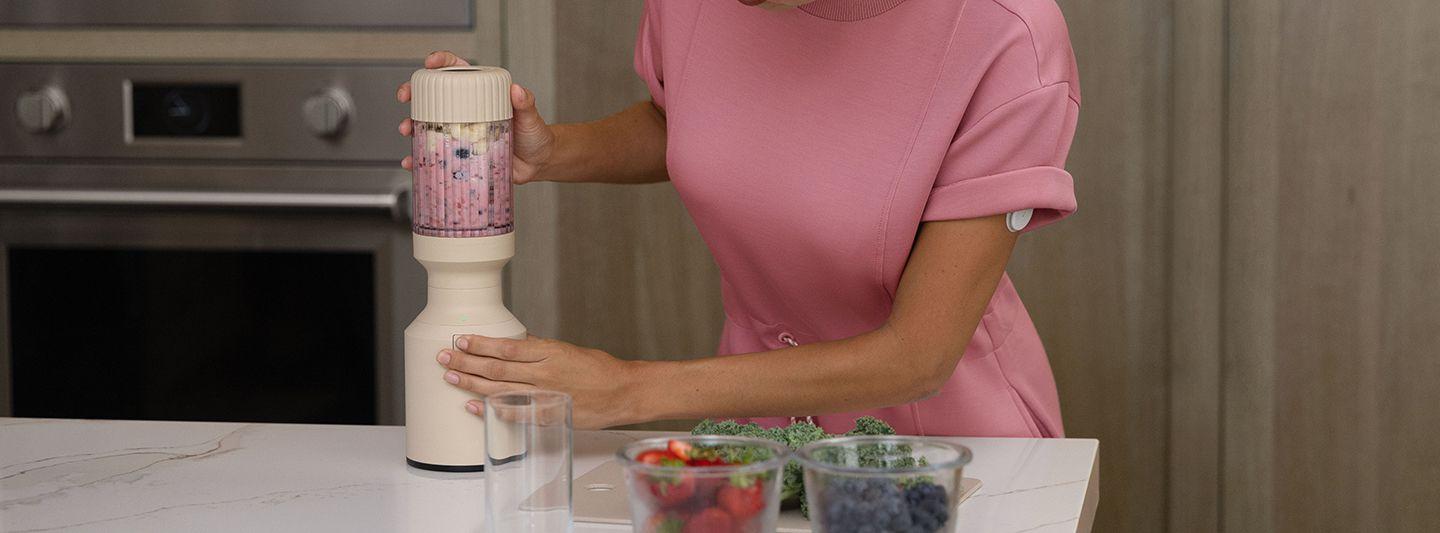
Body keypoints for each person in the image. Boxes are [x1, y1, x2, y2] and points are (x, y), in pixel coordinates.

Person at [396, 0, 1080, 437]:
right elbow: (687, 118)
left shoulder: (1004, 33)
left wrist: (629, 390)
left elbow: (918, 356)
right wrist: (553, 151)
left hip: (947, 447)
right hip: (756, 434)